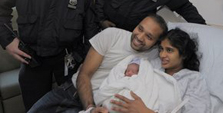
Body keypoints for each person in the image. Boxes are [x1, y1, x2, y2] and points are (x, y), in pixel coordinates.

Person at [27, 14, 168, 113]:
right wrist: (89, 108)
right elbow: (85, 74)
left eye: (149, 36)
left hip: (101, 107)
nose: (140, 37)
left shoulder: (154, 57)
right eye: (140, 28)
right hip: (71, 93)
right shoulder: (112, 35)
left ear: (156, 43)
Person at [109, 28, 211, 113]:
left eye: (169, 50)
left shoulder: (193, 80)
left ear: (184, 54)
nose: (162, 55)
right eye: (161, 49)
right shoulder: (151, 66)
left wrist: (144, 111)